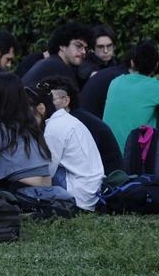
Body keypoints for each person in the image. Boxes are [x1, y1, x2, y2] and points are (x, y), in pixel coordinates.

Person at [33, 77, 105, 210]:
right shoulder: (67, 120)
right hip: (92, 193)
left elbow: (47, 171)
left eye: (52, 98)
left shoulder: (55, 127)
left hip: (80, 198)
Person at [102, 41, 159, 154]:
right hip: (136, 156)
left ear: (132, 63)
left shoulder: (115, 82)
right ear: (156, 65)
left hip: (106, 152)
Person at [22, 23, 92, 90]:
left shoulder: (48, 63)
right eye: (78, 46)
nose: (83, 52)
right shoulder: (60, 69)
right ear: (62, 46)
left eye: (85, 48)